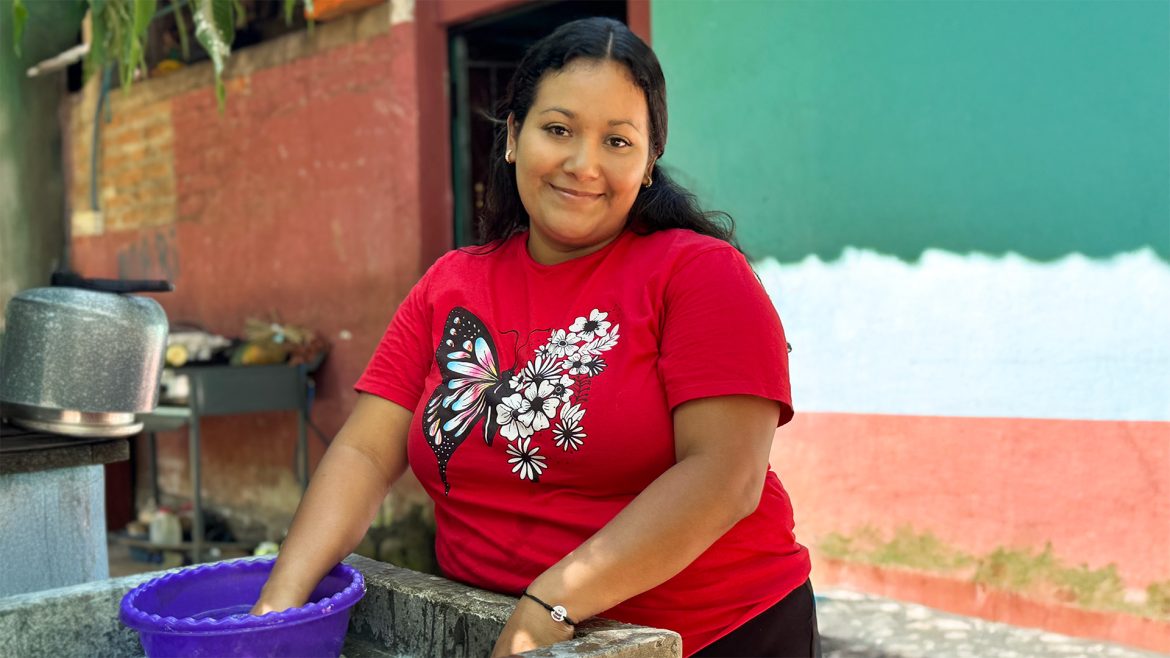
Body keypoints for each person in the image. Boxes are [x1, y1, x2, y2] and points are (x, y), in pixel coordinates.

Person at [253, 17, 818, 658]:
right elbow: (364, 454)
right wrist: (277, 609)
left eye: (618, 140)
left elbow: (724, 476)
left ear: (650, 161)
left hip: (712, 635)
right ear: (514, 137)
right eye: (559, 129)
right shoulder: (450, 285)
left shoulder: (700, 274)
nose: (584, 164)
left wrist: (549, 606)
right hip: (502, 629)